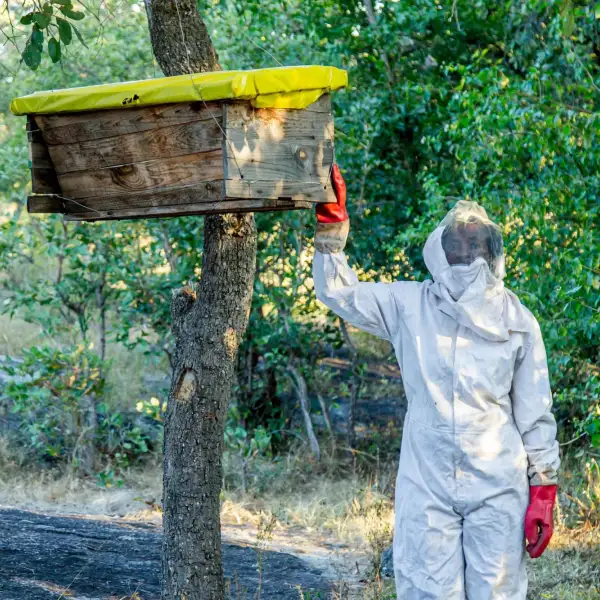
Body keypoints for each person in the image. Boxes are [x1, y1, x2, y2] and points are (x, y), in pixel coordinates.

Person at [312, 165, 560, 600]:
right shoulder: (410, 304)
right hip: (426, 482)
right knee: (427, 592)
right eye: (456, 243)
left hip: (498, 483)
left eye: (475, 243)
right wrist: (332, 229)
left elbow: (535, 410)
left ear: (492, 251)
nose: (465, 252)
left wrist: (543, 487)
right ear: (438, 249)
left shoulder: (518, 321)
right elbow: (341, 293)